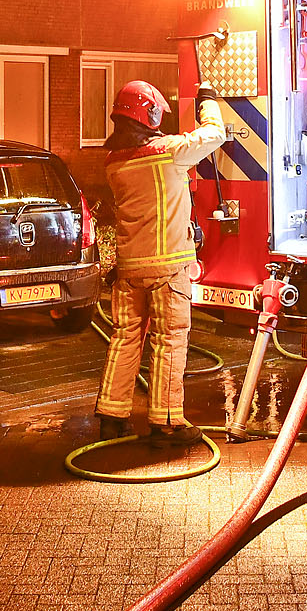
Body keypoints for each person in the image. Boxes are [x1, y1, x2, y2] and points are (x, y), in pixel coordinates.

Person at [94, 80, 226, 443]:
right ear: (147, 114)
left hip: (129, 270)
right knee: (169, 340)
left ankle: (111, 414)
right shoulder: (168, 151)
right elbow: (214, 135)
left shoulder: (112, 163)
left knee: (125, 339)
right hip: (170, 267)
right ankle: (166, 422)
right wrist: (208, 101)